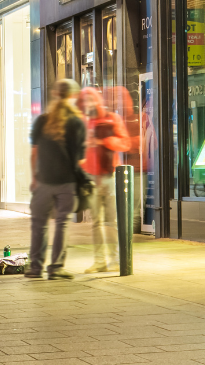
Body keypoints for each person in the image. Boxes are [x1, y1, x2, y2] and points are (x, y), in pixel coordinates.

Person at [26, 79, 86, 280]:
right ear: (73, 97)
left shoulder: (42, 120)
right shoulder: (77, 123)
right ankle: (56, 268)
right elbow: (80, 158)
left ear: (55, 95)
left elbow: (34, 152)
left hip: (43, 181)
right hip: (67, 182)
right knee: (62, 224)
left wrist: (35, 177)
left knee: (39, 224)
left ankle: (35, 268)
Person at [78, 88, 128, 273]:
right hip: (91, 178)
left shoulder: (111, 118)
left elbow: (125, 143)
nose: (88, 104)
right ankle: (99, 261)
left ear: (98, 100)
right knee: (96, 223)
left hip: (109, 177)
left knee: (111, 222)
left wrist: (104, 141)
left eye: (91, 99)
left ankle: (114, 259)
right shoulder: (84, 123)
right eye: (85, 101)